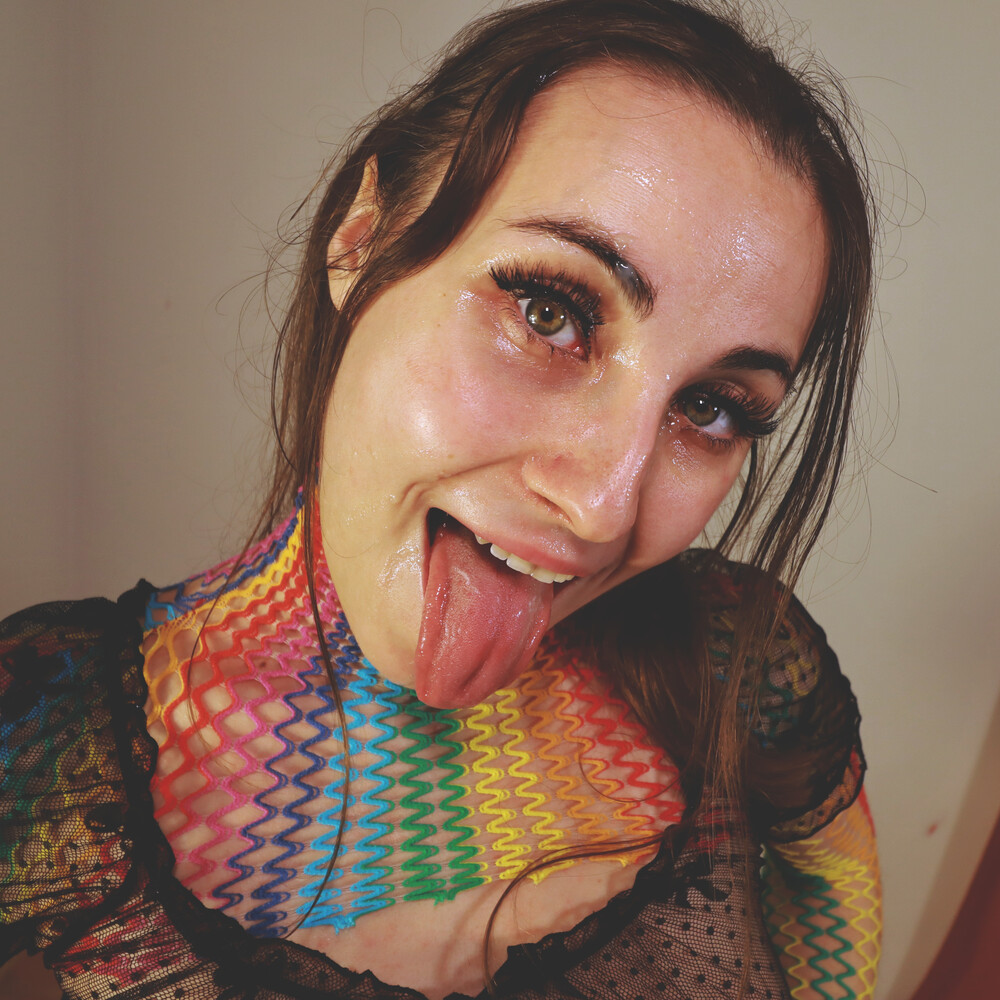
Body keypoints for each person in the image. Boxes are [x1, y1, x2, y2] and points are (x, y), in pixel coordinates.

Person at [0, 1, 882, 998]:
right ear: (362, 239)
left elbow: (832, 881)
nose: (604, 508)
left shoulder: (740, 654)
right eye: (549, 312)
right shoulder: (44, 737)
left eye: (712, 407)